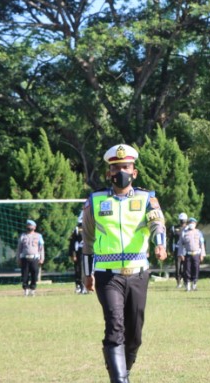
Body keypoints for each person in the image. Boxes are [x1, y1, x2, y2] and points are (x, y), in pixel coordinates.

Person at [81, 143, 167, 382]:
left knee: (135, 334)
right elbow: (86, 240)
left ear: (134, 172)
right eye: (116, 167)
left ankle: (124, 372)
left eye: (126, 167)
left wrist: (161, 244)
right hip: (107, 276)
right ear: (109, 172)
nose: (121, 172)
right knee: (114, 326)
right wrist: (87, 275)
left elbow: (157, 223)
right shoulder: (95, 201)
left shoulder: (146, 198)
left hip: (139, 275)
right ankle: (120, 380)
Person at [18, 219, 44, 297]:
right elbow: (19, 248)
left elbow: (41, 248)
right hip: (25, 258)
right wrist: (18, 258)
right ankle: (26, 289)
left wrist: (42, 258)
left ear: (34, 227)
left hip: (35, 258)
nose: (30, 226)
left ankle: (32, 289)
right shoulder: (23, 236)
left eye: (31, 225)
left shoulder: (39, 236)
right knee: (25, 275)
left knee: (34, 274)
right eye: (28, 225)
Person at [179, 217, 206, 292]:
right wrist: (181, 254)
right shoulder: (184, 232)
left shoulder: (199, 232)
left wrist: (202, 254)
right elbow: (180, 244)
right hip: (187, 254)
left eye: (193, 223)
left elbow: (202, 244)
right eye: (190, 223)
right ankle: (187, 285)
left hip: (196, 254)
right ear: (188, 224)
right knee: (187, 270)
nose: (192, 224)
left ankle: (194, 284)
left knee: (196, 269)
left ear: (195, 224)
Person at [68, 214, 85, 294]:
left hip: (89, 251)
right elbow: (72, 243)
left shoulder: (91, 227)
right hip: (80, 252)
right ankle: (79, 286)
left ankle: (86, 286)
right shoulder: (77, 230)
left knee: (88, 270)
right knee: (79, 269)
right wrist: (73, 254)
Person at [171, 212, 188, 288]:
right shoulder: (174, 228)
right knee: (178, 267)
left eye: (184, 220)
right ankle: (178, 281)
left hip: (186, 249)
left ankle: (185, 281)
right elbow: (171, 240)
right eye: (181, 220)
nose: (182, 222)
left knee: (185, 266)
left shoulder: (188, 228)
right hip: (177, 249)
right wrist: (171, 250)